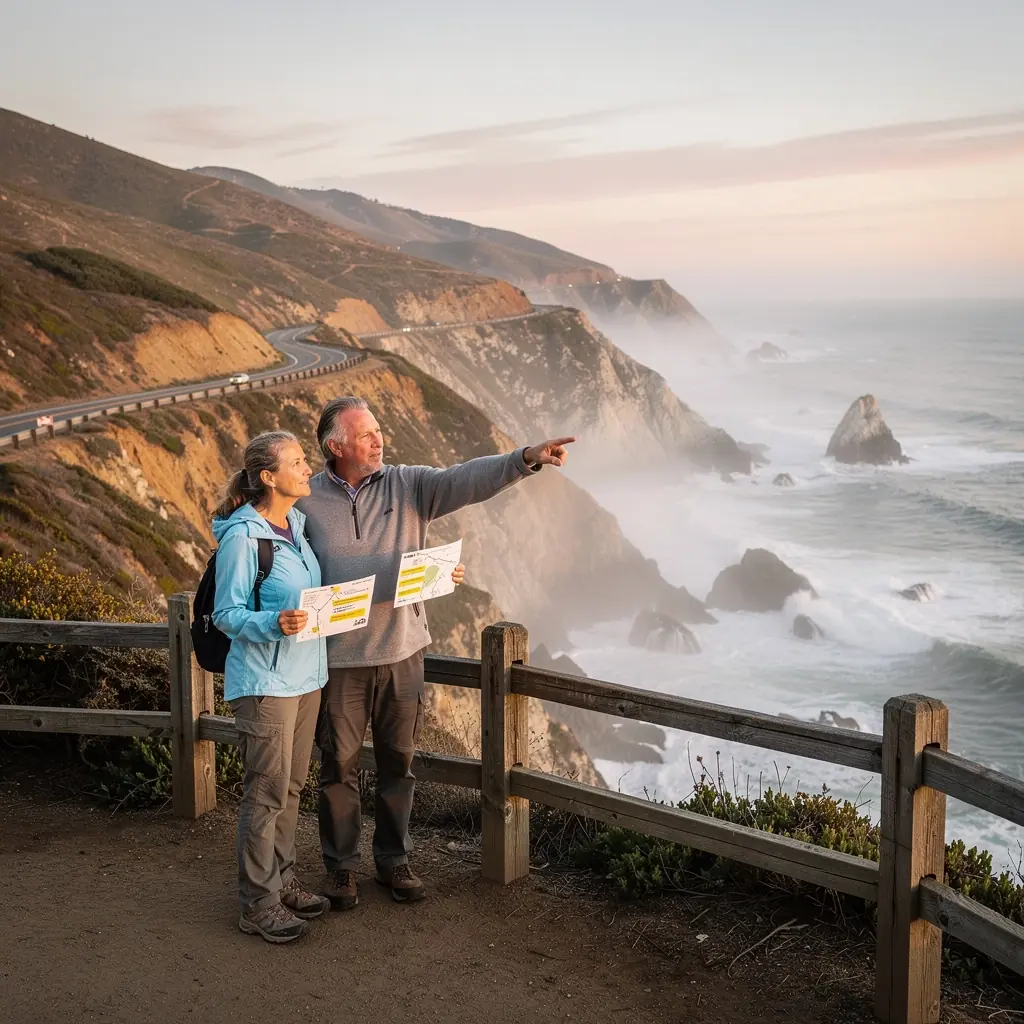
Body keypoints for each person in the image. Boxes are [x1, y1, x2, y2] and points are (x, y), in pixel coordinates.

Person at [297, 395, 574, 909]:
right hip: (337, 663)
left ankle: (393, 860)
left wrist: (525, 458)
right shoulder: (305, 499)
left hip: (403, 654)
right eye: (365, 434)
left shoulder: (409, 484)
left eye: (379, 429)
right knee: (338, 769)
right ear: (335, 446)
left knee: (399, 766)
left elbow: (465, 478)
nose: (378, 439)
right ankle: (340, 870)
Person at [211, 429, 330, 944]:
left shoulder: (296, 526)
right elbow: (225, 613)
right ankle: (257, 903)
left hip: (306, 678)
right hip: (265, 683)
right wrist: (270, 623)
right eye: (298, 462)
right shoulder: (243, 536)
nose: (308, 469)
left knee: (291, 787)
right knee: (265, 792)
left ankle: (282, 882)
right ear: (268, 476)